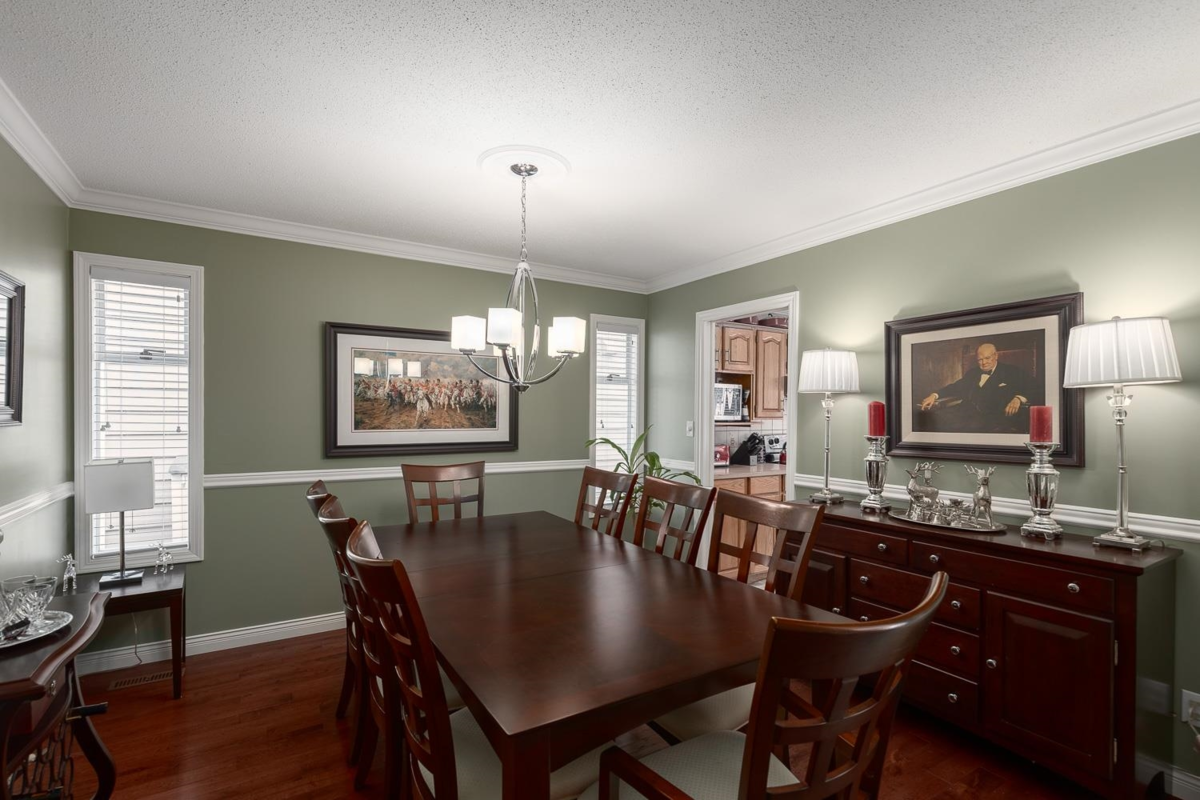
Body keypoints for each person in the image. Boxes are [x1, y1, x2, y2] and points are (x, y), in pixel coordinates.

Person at [918, 343, 1031, 431]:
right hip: (964, 411)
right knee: (931, 418)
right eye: (980, 359)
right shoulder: (972, 373)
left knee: (965, 428)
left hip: (990, 417)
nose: (984, 363)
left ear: (996, 356)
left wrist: (1018, 399)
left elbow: (1034, 387)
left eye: (987, 358)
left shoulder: (1010, 371)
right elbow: (955, 387)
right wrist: (934, 395)